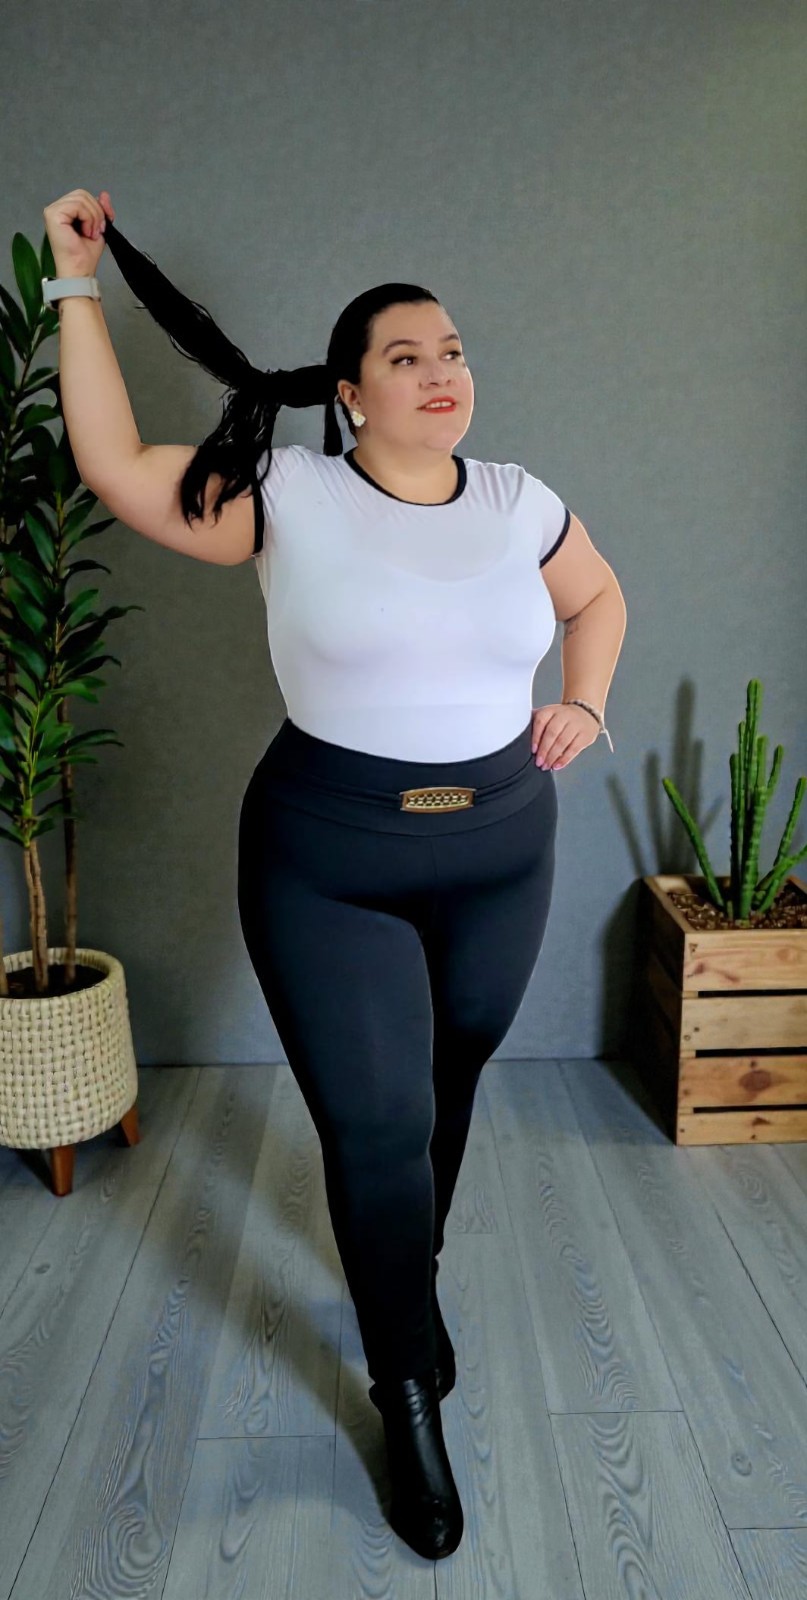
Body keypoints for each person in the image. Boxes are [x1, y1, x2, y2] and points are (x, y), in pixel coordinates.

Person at [42, 188, 625, 1563]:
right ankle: (405, 1385)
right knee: (376, 1123)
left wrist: (584, 701)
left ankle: (405, 1277)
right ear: (351, 392)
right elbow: (114, 466)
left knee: (448, 1084)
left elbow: (596, 597)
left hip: (501, 852)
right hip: (331, 861)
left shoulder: (521, 500)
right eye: (407, 356)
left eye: (454, 351)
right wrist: (75, 281)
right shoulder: (289, 494)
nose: (442, 372)